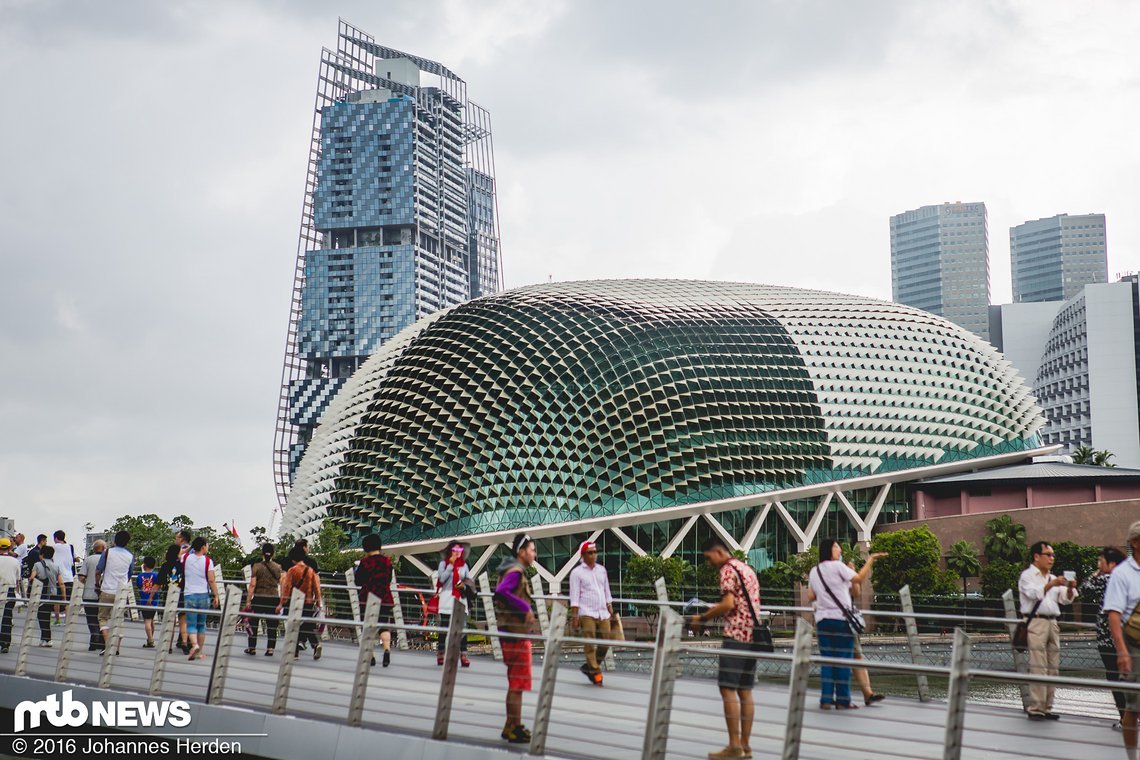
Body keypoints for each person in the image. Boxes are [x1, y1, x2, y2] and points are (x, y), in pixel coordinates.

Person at [685, 538, 764, 760]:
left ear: (719, 552)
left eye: (709, 558)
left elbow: (728, 604)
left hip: (736, 636)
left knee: (727, 689)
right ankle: (746, 746)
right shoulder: (746, 569)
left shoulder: (728, 570)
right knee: (745, 692)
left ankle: (734, 746)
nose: (710, 563)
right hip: (753, 637)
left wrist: (702, 617)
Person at [806, 539, 886, 710]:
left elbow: (811, 596)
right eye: (836, 546)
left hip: (822, 620)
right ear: (829, 549)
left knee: (827, 660)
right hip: (841, 619)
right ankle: (843, 701)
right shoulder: (838, 567)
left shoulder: (815, 571)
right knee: (843, 660)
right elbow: (859, 578)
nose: (840, 549)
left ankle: (826, 699)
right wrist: (871, 559)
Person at [1018, 540, 1078, 720]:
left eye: (1053, 555)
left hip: (1053, 622)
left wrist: (1069, 588)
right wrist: (1051, 585)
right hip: (1035, 622)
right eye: (1048, 555)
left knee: (1053, 667)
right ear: (1037, 557)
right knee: (1038, 666)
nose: (1052, 558)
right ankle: (1036, 708)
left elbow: (1066, 599)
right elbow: (1032, 593)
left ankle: (1048, 707)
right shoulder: (1027, 575)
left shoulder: (1053, 578)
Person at [494, 533, 538, 744]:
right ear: (521, 552)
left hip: (510, 633)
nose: (534, 554)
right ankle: (514, 726)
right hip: (515, 635)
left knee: (516, 682)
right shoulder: (515, 571)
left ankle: (511, 724)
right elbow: (501, 591)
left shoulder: (510, 569)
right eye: (532, 550)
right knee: (517, 684)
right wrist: (525, 608)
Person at [1081, 546, 1128, 729]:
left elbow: (1086, 588)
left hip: (1109, 639)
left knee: (1114, 677)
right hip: (1127, 636)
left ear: (1112, 563)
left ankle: (1125, 717)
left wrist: (1094, 574)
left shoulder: (1107, 579)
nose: (1098, 565)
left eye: (1101, 561)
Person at [1104, 520, 1140, 760]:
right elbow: (1113, 615)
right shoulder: (1122, 574)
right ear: (1135, 543)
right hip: (1134, 644)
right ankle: (1131, 757)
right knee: (1134, 706)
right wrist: (1122, 651)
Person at [569, 540, 616, 686]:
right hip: (586, 612)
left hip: (602, 611)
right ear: (583, 555)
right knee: (589, 642)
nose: (593, 555)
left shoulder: (601, 570)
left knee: (606, 641)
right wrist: (575, 617)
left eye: (595, 552)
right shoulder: (576, 573)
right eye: (590, 552)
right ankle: (596, 672)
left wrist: (611, 609)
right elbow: (574, 596)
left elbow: (606, 591)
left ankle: (589, 667)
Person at [848, 559, 886, 706]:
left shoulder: (841, 570)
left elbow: (856, 592)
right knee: (837, 659)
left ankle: (868, 693)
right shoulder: (825, 571)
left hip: (845, 620)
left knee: (856, 656)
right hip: (834, 619)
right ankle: (835, 697)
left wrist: (851, 574)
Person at [354, 534, 394, 667]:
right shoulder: (387, 561)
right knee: (384, 625)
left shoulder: (365, 562)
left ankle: (371, 655)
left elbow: (358, 580)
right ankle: (387, 649)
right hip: (384, 596)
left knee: (369, 627)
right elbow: (389, 578)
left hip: (368, 598)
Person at [277, 545, 323, 659]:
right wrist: (318, 602)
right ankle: (316, 644)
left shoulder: (292, 571)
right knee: (308, 624)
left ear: (293, 558)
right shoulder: (310, 571)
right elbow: (317, 588)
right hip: (308, 602)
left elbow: (286, 588)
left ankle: (295, 652)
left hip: (294, 602)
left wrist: (282, 603)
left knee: (293, 626)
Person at [96, 530, 134, 655]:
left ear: (114, 540)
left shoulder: (107, 552)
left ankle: (108, 645)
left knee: (103, 617)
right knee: (119, 618)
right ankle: (117, 647)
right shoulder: (130, 556)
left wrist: (97, 584)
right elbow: (129, 574)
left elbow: (98, 570)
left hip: (107, 589)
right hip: (121, 591)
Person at [182, 537, 220, 661]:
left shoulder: (186, 558)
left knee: (191, 625)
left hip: (189, 595)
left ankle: (194, 645)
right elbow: (211, 580)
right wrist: (216, 595)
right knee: (201, 625)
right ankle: (200, 651)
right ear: (203, 547)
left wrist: (190, 547)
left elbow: (179, 554)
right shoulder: (208, 561)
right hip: (204, 595)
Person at [435, 541, 471, 667]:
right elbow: (441, 579)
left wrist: (464, 585)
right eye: (454, 550)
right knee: (444, 627)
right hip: (446, 598)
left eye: (459, 551)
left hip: (460, 598)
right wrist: (450, 565)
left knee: (463, 627)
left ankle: (463, 654)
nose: (457, 553)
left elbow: (468, 581)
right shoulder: (443, 564)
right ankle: (441, 653)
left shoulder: (464, 566)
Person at [244, 543, 282, 657]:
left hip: (259, 598)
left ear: (262, 553)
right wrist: (281, 602)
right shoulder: (278, 567)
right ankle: (270, 649)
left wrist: (248, 601)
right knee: (272, 626)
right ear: (273, 553)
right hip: (273, 598)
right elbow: (282, 584)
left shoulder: (256, 567)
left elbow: (252, 585)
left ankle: (252, 648)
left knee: (254, 624)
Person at [30, 545, 62, 647]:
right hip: (53, 593)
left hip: (42, 593)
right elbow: (60, 582)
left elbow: (32, 577)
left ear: (42, 554)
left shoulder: (37, 565)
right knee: (47, 615)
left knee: (41, 616)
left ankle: (46, 638)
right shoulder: (56, 566)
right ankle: (46, 638)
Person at [156, 544, 187, 653]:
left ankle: (168, 646)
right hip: (181, 595)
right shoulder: (183, 566)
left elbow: (158, 582)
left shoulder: (165, 566)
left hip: (169, 595)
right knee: (183, 621)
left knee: (171, 622)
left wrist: (151, 596)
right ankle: (184, 642)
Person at [77, 540, 107, 651]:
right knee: (103, 618)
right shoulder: (108, 560)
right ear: (104, 548)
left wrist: (88, 582)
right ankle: (102, 641)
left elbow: (81, 577)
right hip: (104, 594)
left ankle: (94, 637)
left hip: (89, 594)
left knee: (91, 618)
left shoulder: (88, 560)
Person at [0, 538, 21, 654]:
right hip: (9, 590)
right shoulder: (15, 562)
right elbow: (18, 580)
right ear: (9, 548)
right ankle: (5, 643)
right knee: (7, 617)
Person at [135, 556, 160, 648]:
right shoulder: (156, 575)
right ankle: (150, 640)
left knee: (147, 621)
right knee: (151, 621)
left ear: (144, 565)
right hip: (154, 601)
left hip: (144, 601)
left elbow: (139, 587)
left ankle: (150, 640)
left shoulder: (140, 576)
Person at [51, 530, 76, 623]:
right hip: (69, 577)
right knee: (67, 600)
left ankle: (57, 620)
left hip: (58, 577)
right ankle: (67, 619)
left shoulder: (54, 547)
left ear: (56, 538)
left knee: (56, 600)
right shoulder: (70, 547)